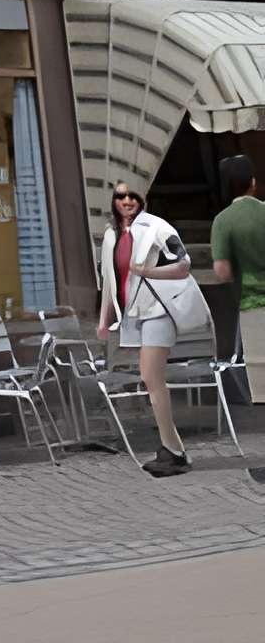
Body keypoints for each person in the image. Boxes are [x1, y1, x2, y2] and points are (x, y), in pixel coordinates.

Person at [97, 177, 212, 476]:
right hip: (133, 315)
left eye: (133, 196)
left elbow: (183, 264)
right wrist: (103, 319)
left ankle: (174, 451)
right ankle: (172, 449)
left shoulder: (158, 227)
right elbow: (109, 281)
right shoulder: (110, 235)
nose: (127, 201)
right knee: (150, 380)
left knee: (150, 377)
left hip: (158, 310)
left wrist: (148, 271)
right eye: (121, 196)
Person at [209, 152, 265, 483]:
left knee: (261, 386)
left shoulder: (224, 221)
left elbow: (222, 271)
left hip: (253, 307)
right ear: (254, 183)